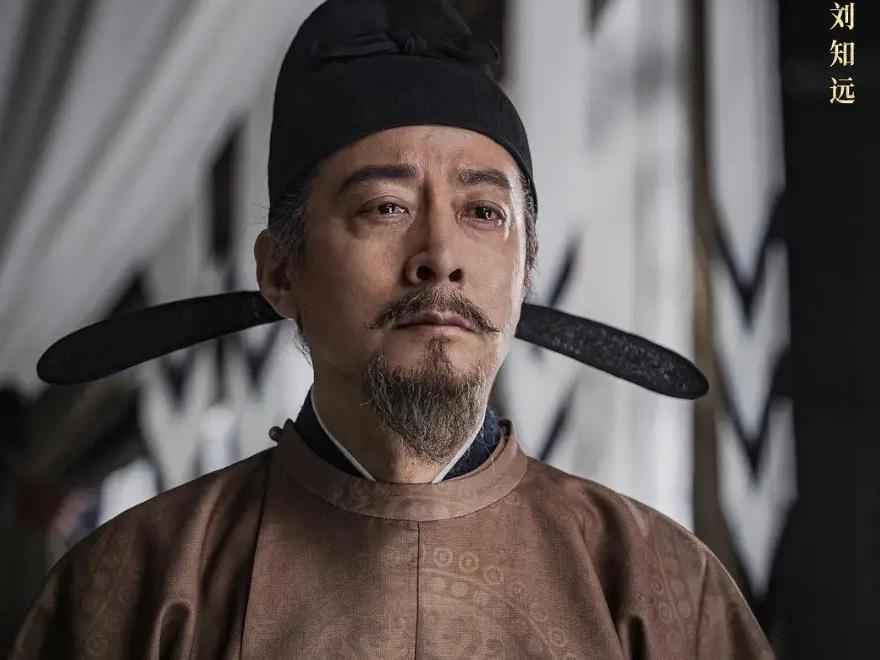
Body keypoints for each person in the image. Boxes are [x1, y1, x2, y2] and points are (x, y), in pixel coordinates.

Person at [11, 0, 773, 657]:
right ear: (280, 271)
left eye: (484, 212)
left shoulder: (654, 584)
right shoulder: (142, 584)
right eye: (386, 208)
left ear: (527, 270)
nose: (440, 256)